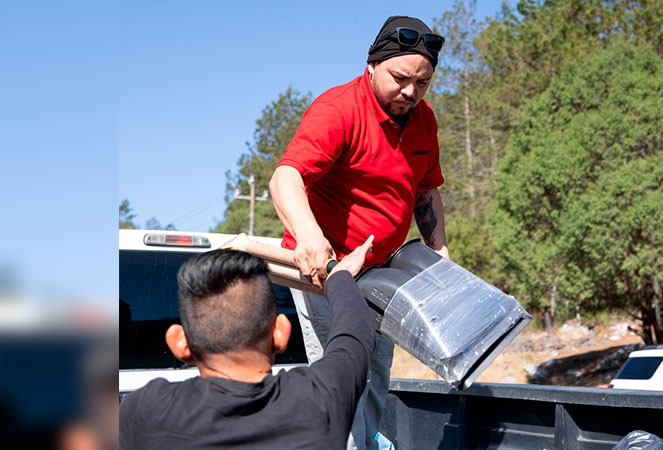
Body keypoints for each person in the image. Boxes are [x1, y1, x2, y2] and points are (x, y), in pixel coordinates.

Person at [269, 15, 448, 450]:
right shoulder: (338, 110)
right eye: (400, 78)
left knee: (375, 374)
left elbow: (425, 190)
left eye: (422, 82)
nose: (410, 91)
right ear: (372, 66)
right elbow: (285, 178)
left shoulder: (423, 120)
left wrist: (441, 253)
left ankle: (364, 444)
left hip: (382, 274)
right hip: (325, 273)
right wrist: (310, 237)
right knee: (345, 373)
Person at [119, 236, 376, 450]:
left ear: (179, 343)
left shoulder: (144, 412)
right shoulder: (321, 396)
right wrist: (338, 275)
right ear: (280, 333)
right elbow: (354, 331)